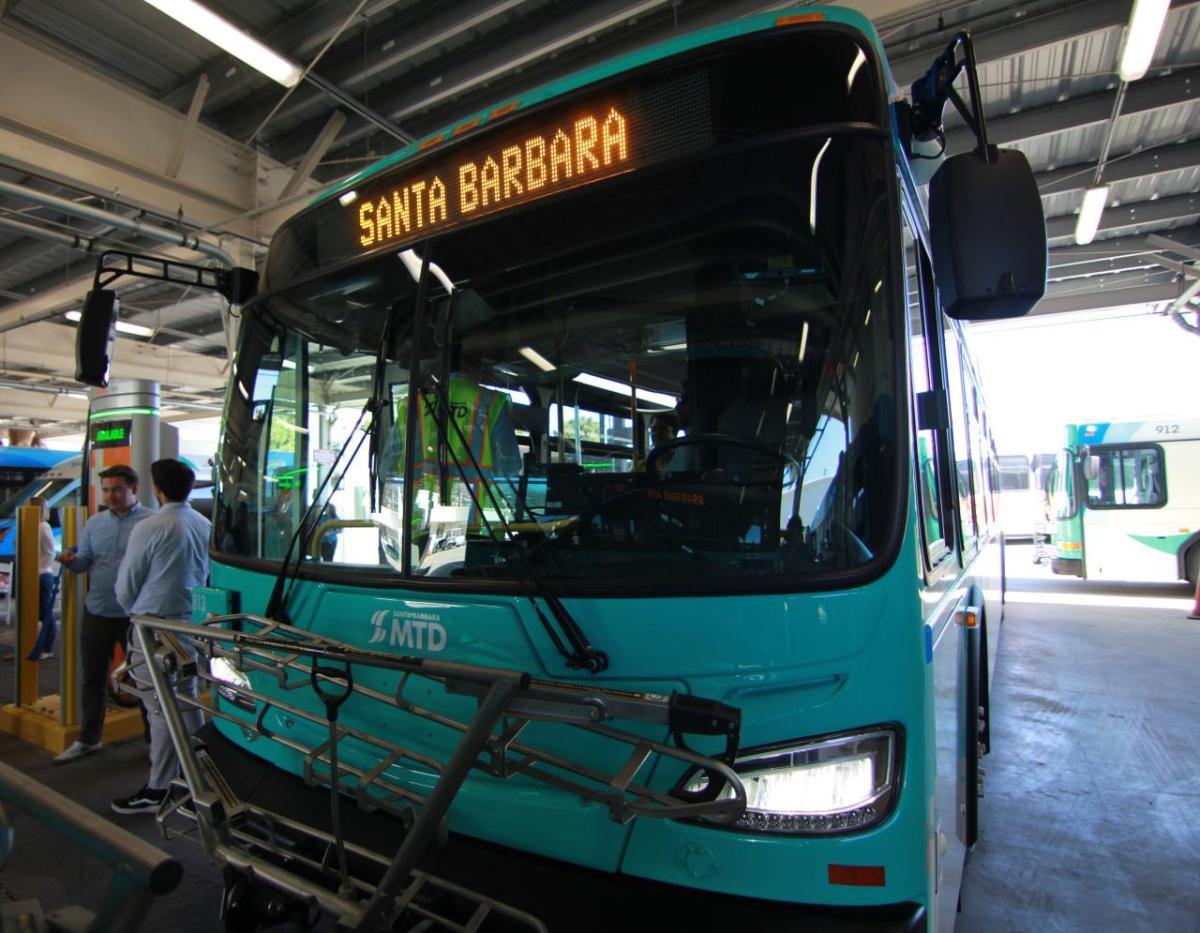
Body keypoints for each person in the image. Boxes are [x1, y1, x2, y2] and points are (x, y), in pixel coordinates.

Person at [110, 459, 210, 815]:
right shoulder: (203, 524)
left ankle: (159, 788)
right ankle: (200, 776)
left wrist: (134, 614)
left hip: (154, 627)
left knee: (158, 707)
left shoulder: (151, 527)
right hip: (191, 626)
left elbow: (127, 584)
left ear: (157, 489)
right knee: (188, 700)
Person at [53, 465, 152, 764]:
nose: (111, 496)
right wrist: (71, 561)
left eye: (117, 489)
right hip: (97, 610)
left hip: (134, 613)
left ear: (133, 488)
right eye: (107, 490)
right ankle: (89, 739)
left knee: (145, 680)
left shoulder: (150, 522)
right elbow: (85, 563)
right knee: (92, 677)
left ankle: (154, 743)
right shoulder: (95, 524)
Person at [25, 496, 57, 662]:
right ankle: (34, 645)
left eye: (28, 506)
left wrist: (39, 567)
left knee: (45, 612)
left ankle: (47, 647)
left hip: (42, 574)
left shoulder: (43, 527)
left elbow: (50, 551)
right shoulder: (29, 525)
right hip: (33, 573)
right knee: (34, 612)